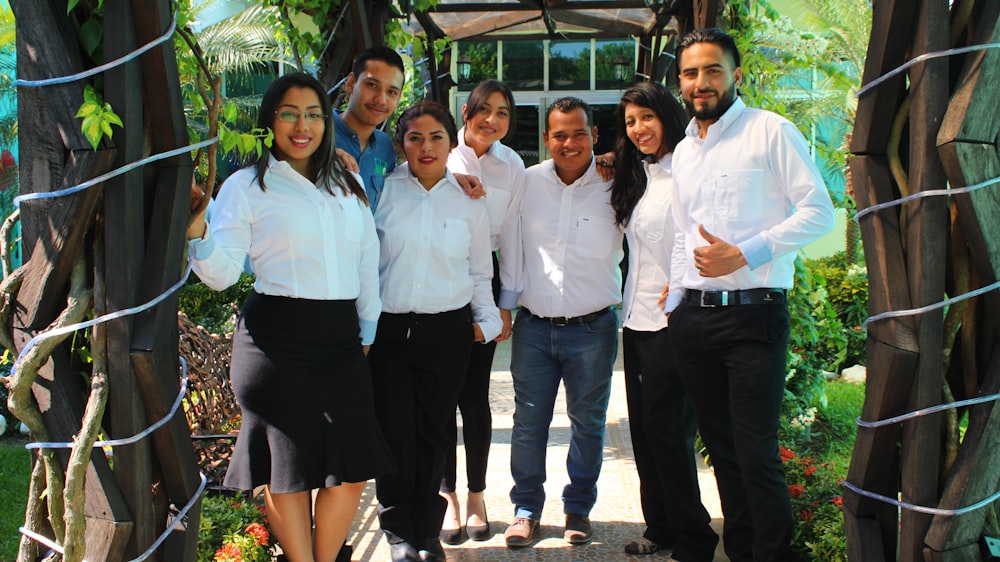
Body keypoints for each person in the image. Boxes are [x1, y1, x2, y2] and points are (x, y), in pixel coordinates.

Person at [186, 72, 396, 562]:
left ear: (326, 121)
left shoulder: (347, 179)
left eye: (314, 114)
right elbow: (220, 274)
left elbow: (367, 258)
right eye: (289, 113)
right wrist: (199, 234)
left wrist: (366, 332)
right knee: (284, 470)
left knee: (352, 468)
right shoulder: (247, 186)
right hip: (274, 345)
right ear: (270, 120)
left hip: (342, 342)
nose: (302, 126)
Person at [665, 28, 835, 562]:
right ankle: (742, 551)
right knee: (721, 451)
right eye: (691, 73)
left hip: (753, 316)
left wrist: (746, 252)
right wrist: (674, 303)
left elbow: (819, 212)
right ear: (681, 82)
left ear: (736, 75)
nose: (701, 82)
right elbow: (681, 230)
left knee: (756, 451)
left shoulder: (771, 132)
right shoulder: (685, 150)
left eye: (713, 70)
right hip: (693, 320)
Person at [368, 101, 502, 562]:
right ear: (400, 144)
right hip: (389, 332)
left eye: (436, 138)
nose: (426, 148)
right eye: (415, 138)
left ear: (451, 142)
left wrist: (485, 323)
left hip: (448, 332)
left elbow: (480, 270)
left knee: (434, 434)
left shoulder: (469, 199)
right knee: (395, 432)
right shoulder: (383, 191)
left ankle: (426, 532)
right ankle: (398, 531)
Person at [500, 97, 622, 548]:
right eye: (559, 134)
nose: (568, 143)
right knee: (528, 423)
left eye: (578, 133)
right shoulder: (527, 182)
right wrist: (506, 306)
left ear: (594, 136)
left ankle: (578, 509)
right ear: (546, 138)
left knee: (587, 423)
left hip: (593, 329)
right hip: (534, 327)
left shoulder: (618, 183)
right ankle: (525, 509)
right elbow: (510, 242)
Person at [609, 81, 720, 560]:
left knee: (669, 432)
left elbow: (702, 237)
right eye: (631, 122)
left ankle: (695, 537)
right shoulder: (641, 175)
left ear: (667, 116)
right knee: (645, 431)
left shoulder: (689, 171)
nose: (638, 130)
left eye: (647, 118)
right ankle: (662, 526)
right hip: (636, 321)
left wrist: (681, 286)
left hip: (673, 322)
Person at [438, 79, 525, 545]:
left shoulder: (512, 164)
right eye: (484, 109)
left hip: (484, 278)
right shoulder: (441, 153)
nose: (492, 120)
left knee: (474, 396)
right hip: (438, 280)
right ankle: (446, 496)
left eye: (503, 113)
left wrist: (505, 303)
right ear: (467, 112)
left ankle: (476, 496)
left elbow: (511, 235)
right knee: (440, 394)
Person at [334, 45, 484, 209]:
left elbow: (401, 182)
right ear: (350, 83)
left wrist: (450, 179)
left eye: (391, 92)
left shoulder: (384, 147)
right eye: (372, 85)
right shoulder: (318, 134)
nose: (381, 99)